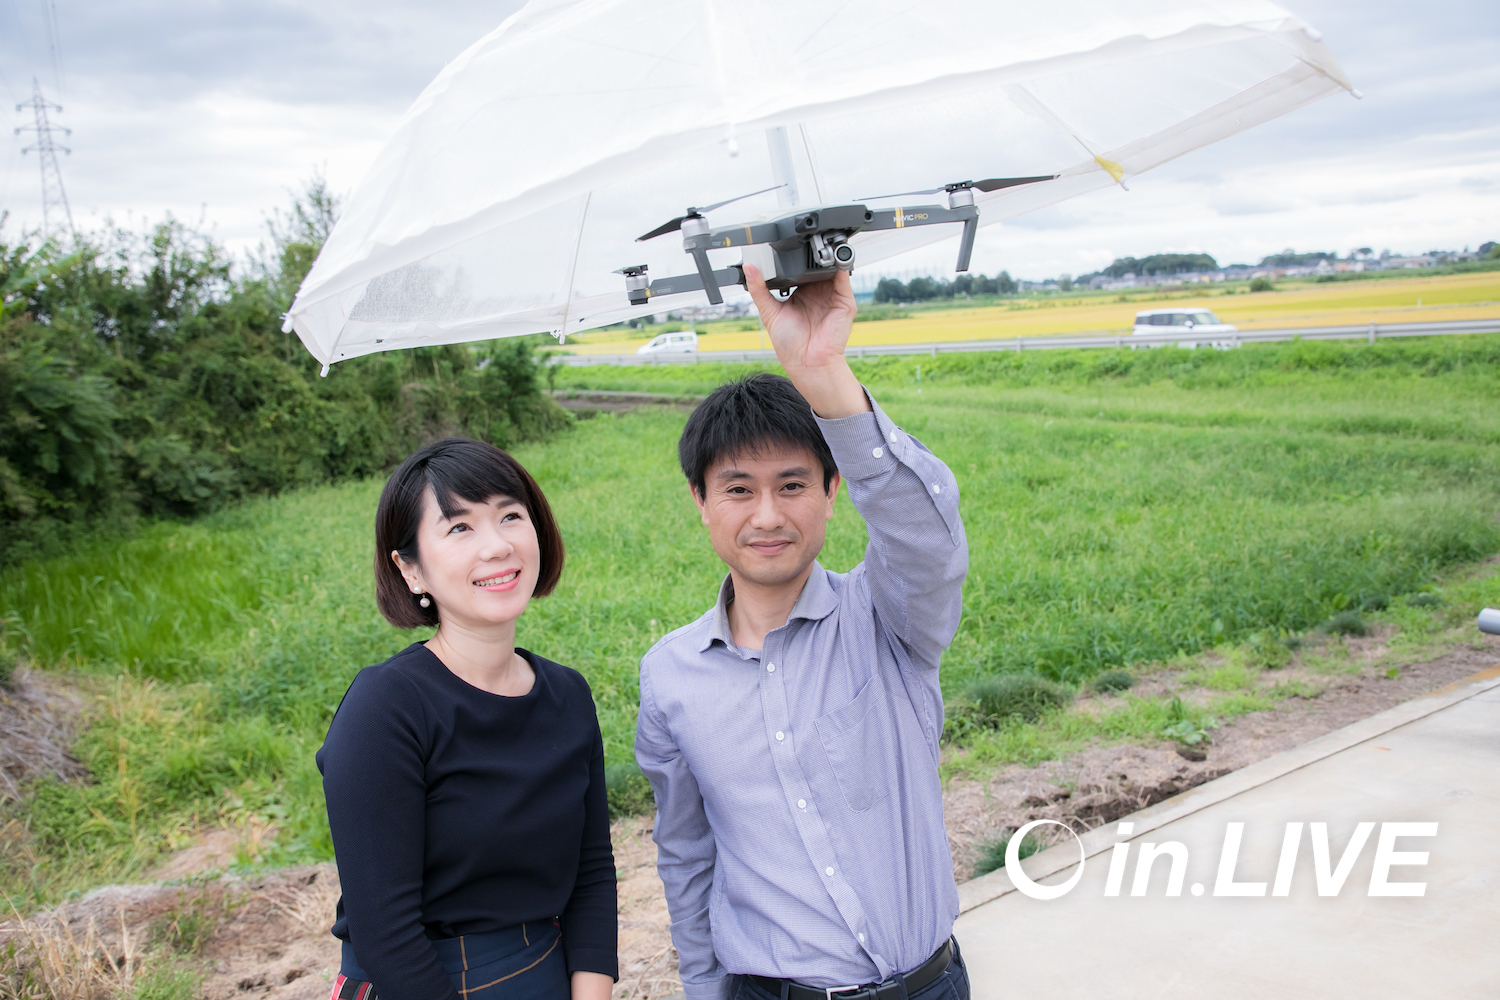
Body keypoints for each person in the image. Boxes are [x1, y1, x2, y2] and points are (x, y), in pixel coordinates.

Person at [635, 264, 970, 1000]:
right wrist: (702, 986)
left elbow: (928, 536)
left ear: (831, 490)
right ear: (700, 501)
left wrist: (823, 373)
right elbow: (687, 854)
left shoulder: (888, 619)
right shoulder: (670, 676)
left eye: (791, 485)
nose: (766, 517)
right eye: (737, 490)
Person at [318, 438, 617, 1000]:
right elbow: (386, 931)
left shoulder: (568, 694)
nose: (497, 546)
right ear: (410, 570)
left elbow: (592, 871)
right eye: (460, 528)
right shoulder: (387, 708)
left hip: (546, 973)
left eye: (510, 516)